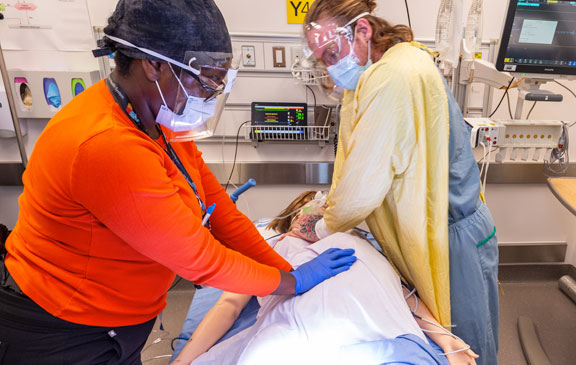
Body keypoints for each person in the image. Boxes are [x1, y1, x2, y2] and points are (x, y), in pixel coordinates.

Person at [0, 1, 356, 364]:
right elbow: (200, 259)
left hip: (117, 322)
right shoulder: (106, 144)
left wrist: (285, 269)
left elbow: (222, 212)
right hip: (62, 330)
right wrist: (293, 283)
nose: (209, 97)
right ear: (153, 65)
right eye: (205, 82)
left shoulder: (158, 121)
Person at [293, 1, 499, 364]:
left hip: (452, 234)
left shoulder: (392, 76)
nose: (329, 66)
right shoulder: (391, 65)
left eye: (331, 53)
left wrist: (321, 227)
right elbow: (365, 164)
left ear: (363, 31)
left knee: (466, 347)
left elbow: (365, 183)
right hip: (431, 226)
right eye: (321, 59)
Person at [171, 191, 478, 365]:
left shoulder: (360, 244)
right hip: (297, 340)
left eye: (330, 203)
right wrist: (182, 362)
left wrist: (448, 340)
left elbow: (402, 297)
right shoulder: (272, 247)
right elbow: (229, 307)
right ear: (293, 217)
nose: (323, 203)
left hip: (379, 340)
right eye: (314, 201)